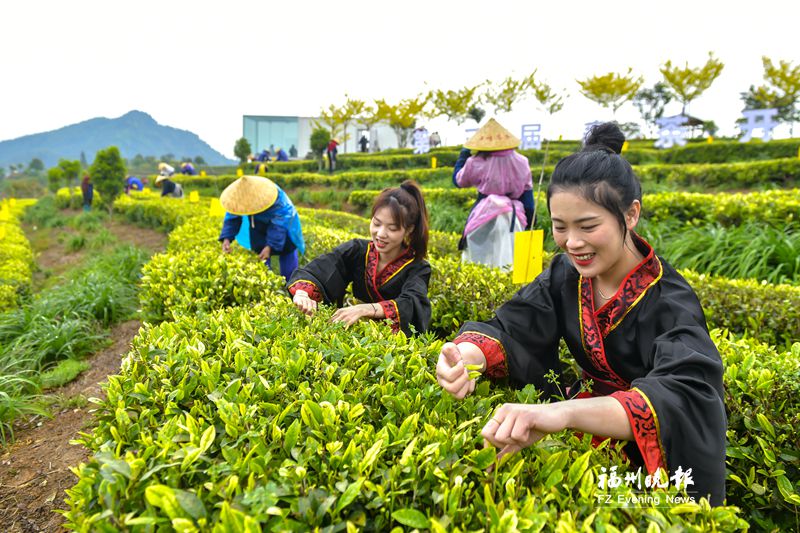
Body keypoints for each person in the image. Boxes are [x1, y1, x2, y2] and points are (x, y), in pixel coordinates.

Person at [436, 122, 726, 506]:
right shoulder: (565, 274)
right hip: (580, 431)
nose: (572, 243)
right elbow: (515, 325)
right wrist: (466, 358)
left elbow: (680, 396)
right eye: (560, 227)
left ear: (631, 214)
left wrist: (564, 413)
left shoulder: (670, 301)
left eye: (588, 226)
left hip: (643, 454)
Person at [288, 181, 431, 336]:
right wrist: (303, 293)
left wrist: (364, 309)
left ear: (409, 230)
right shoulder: (357, 250)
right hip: (355, 333)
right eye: (376, 223)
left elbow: (412, 303)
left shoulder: (418, 267)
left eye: (392, 228)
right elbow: (323, 268)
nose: (381, 234)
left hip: (392, 343)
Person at [453, 118, 535, 269]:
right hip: (514, 216)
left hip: (484, 214)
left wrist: (463, 156)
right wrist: (530, 223)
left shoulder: (476, 161)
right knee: (511, 262)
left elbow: (459, 181)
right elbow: (528, 199)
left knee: (480, 263)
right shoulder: (522, 161)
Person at [218, 175, 305, 281]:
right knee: (262, 261)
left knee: (288, 257)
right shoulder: (238, 199)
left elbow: (278, 225)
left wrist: (270, 246)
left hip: (284, 227)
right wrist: (226, 238)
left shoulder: (277, 198)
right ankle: (268, 284)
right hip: (257, 226)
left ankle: (291, 284)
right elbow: (233, 218)